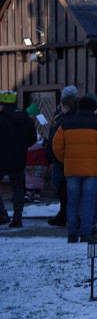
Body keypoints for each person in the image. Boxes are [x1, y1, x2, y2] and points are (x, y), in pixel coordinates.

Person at [52, 95, 97, 243]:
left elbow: (57, 146)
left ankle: (72, 234)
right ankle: (86, 233)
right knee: (88, 202)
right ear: (94, 110)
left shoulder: (66, 124)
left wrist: (66, 161)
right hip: (92, 171)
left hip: (72, 170)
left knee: (72, 201)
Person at [0, 90, 37, 228]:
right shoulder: (26, 119)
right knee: (18, 188)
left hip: (1, 160)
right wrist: (21, 147)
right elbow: (32, 139)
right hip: (19, 159)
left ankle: (2, 214)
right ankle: (18, 218)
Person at [46, 87, 79, 227]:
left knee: (64, 189)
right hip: (76, 160)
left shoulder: (60, 118)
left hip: (64, 160)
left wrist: (53, 157)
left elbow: (54, 140)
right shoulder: (83, 115)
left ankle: (68, 218)